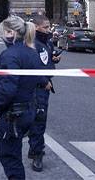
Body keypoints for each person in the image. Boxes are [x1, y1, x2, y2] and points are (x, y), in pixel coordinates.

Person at [0, 16, 49, 180]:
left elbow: (8, 88)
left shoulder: (10, 55)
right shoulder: (32, 52)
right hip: (28, 109)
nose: (2, 35)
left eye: (3, 32)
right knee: (14, 155)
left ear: (11, 32)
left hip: (12, 114)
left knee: (10, 157)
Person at [28, 15, 60, 172]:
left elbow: (47, 59)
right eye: (46, 27)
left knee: (39, 122)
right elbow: (31, 67)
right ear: (36, 27)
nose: (49, 30)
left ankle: (35, 151)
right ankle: (36, 154)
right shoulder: (31, 44)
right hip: (36, 88)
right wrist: (43, 81)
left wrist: (54, 59)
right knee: (37, 121)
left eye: (49, 27)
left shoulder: (46, 42)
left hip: (44, 88)